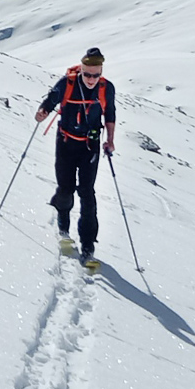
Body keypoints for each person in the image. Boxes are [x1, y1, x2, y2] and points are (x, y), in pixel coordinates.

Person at [34, 47, 116, 263]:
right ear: (81, 70)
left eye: (95, 75)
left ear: (101, 72)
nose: (91, 79)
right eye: (87, 74)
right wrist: (42, 112)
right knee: (66, 188)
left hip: (90, 146)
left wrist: (110, 139)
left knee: (87, 193)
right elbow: (49, 103)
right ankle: (63, 225)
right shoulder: (67, 84)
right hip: (66, 143)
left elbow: (110, 114)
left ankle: (88, 244)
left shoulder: (106, 89)